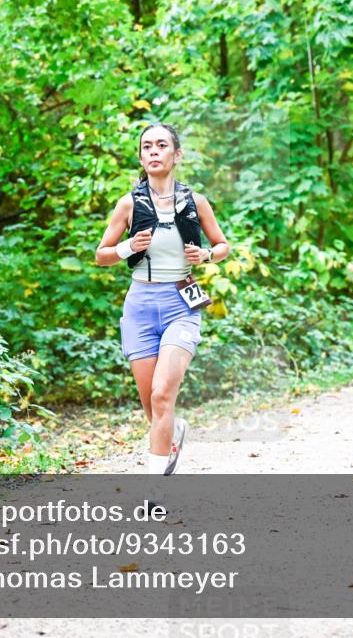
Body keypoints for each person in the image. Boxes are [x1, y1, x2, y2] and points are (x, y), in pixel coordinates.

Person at [95, 123, 229, 477]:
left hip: (180, 303)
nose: (154, 151)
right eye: (147, 147)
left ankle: (153, 491)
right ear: (141, 157)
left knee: (161, 395)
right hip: (139, 307)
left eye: (162, 145)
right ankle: (173, 432)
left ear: (176, 155)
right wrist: (128, 247)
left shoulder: (196, 202)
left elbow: (222, 245)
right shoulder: (129, 203)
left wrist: (207, 255)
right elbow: (101, 254)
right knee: (152, 407)